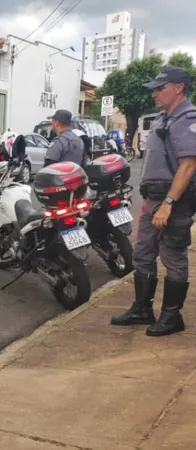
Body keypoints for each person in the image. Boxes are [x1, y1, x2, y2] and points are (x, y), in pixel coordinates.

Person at [111, 66, 196, 336]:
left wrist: (169, 203)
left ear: (179, 87)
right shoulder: (164, 118)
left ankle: (172, 317)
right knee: (143, 254)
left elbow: (189, 165)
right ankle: (142, 309)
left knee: (173, 256)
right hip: (152, 199)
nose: (154, 94)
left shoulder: (186, 118)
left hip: (173, 202)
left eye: (160, 88)